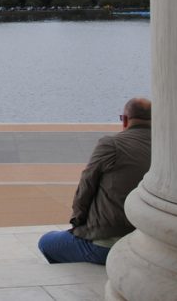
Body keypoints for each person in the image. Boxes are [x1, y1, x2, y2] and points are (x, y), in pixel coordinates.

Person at [38, 97, 152, 265]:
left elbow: (87, 184)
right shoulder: (167, 148)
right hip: (149, 243)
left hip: (106, 246)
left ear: (125, 120)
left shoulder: (112, 144)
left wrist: (78, 221)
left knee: (47, 241)